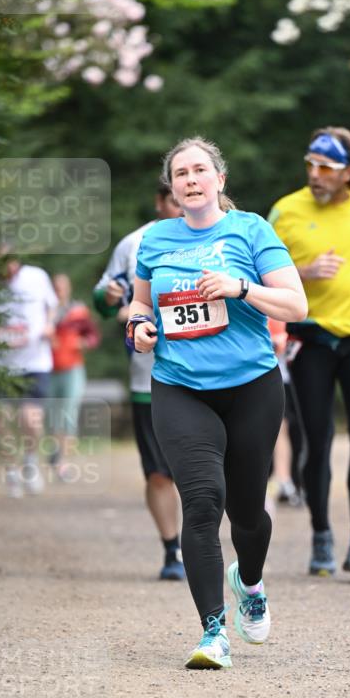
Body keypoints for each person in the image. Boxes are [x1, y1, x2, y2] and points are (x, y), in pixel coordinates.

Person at [128, 136, 307, 669]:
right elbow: (140, 303)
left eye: (199, 169)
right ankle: (213, 633)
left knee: (247, 509)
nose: (190, 179)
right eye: (180, 173)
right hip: (180, 385)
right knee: (202, 501)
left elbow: (296, 304)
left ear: (219, 180)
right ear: (173, 188)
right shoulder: (157, 240)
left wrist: (239, 287)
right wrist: (139, 326)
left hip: (251, 385)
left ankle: (248, 581)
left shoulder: (251, 230)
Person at [269, 127, 350, 577]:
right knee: (317, 437)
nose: (315, 174)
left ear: (348, 172)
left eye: (325, 167)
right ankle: (321, 533)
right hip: (311, 337)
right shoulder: (285, 211)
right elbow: (259, 273)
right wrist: (304, 270)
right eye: (310, 164)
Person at [93, 185, 186, 581]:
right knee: (159, 472)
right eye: (173, 200)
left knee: (205, 470)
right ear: (159, 201)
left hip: (210, 376)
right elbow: (103, 297)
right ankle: (173, 550)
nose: (182, 207)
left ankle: (207, 543)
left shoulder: (219, 237)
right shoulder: (134, 244)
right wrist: (109, 297)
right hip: (148, 378)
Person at [0, 248, 58, 497]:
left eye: (10, 263)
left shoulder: (36, 276)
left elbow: (52, 305)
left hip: (35, 361)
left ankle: (31, 462)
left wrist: (49, 324)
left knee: (29, 420)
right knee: (1, 420)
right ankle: (11, 472)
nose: (7, 270)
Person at [48, 274, 101, 480]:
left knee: (69, 414)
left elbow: (93, 336)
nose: (59, 291)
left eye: (62, 287)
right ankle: (55, 451)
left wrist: (84, 343)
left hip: (73, 369)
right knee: (51, 416)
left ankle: (63, 464)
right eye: (56, 287)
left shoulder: (78, 311)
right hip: (50, 370)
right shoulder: (46, 312)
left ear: (68, 289)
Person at [267, 317, 304, 508]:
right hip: (258, 375)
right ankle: (281, 479)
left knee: (283, 427)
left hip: (281, 375)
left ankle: (284, 479)